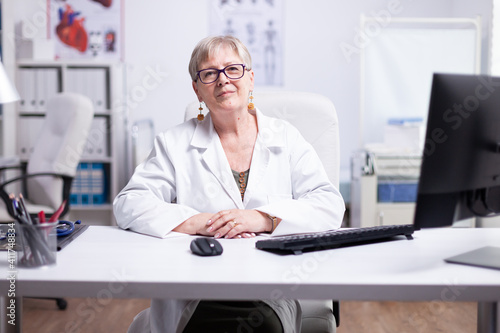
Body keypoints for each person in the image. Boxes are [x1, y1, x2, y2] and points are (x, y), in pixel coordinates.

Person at [113, 35, 345, 333]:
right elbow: (129, 203)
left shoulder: (286, 137)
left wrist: (261, 217)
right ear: (197, 89)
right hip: (196, 287)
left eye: (233, 69)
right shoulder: (174, 143)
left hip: (269, 287)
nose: (223, 80)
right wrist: (199, 222)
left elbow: (329, 204)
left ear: (250, 78)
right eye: (209, 73)